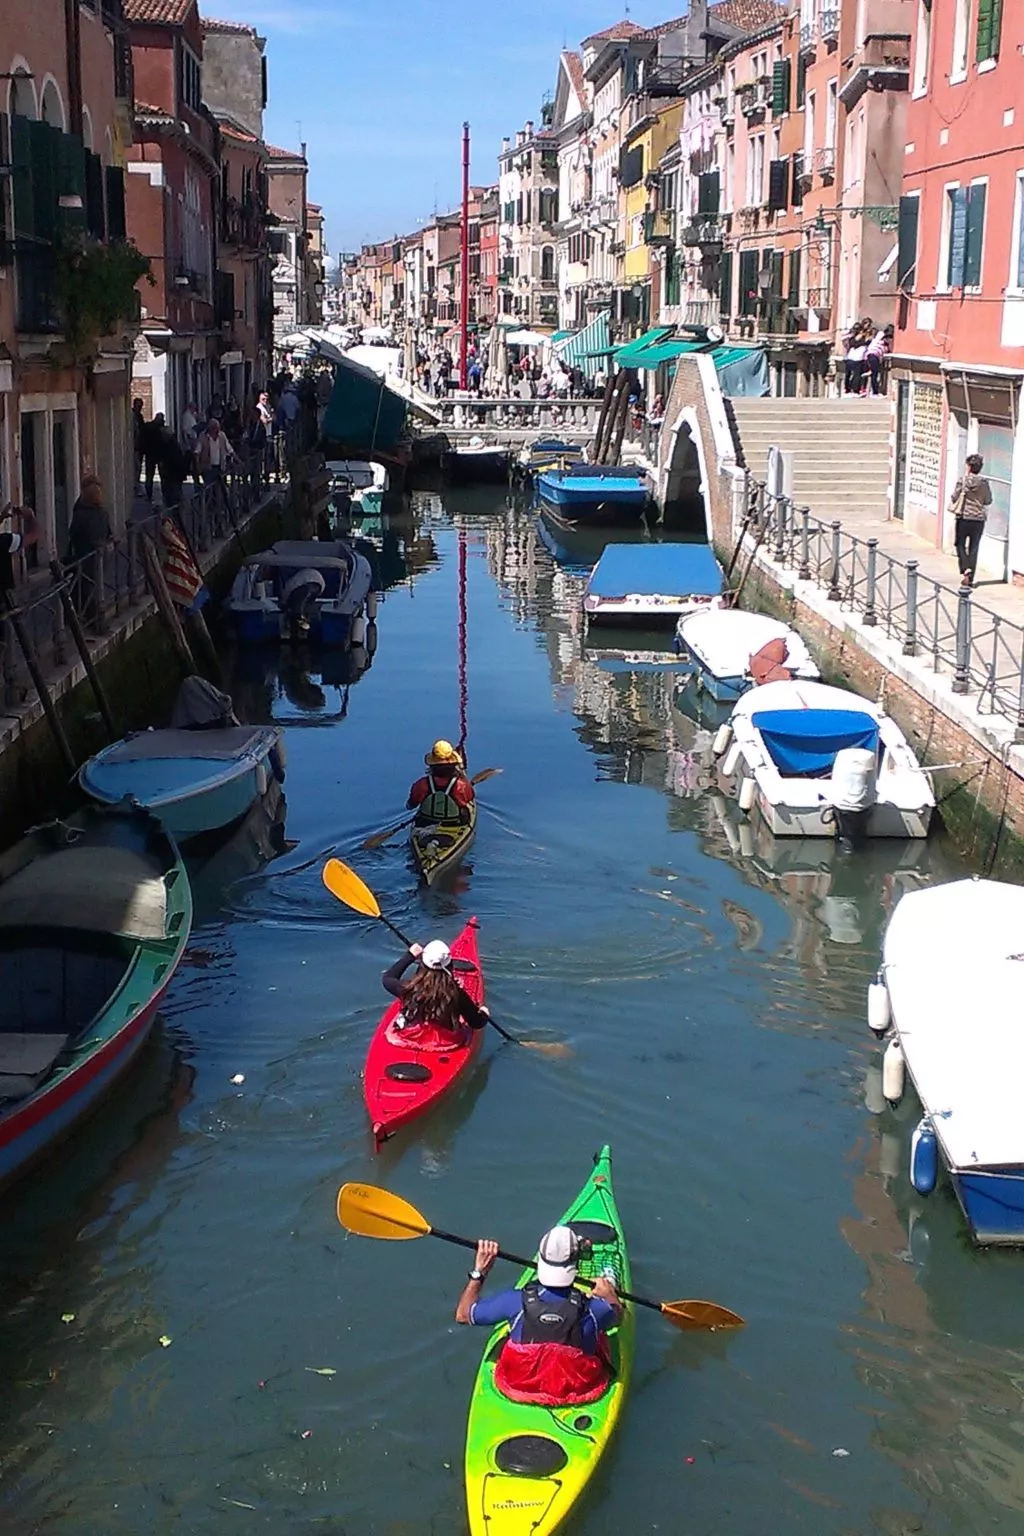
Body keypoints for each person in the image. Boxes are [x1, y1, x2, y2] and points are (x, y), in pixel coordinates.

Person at [455, 1228, 621, 1406]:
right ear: (576, 1264)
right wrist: (610, 1296)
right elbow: (618, 1318)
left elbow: (463, 1315)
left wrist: (480, 1272)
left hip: (519, 1386)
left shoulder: (513, 1301)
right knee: (600, 1334)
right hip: (577, 1388)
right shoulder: (595, 1309)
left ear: (541, 1260)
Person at [381, 939, 490, 1037]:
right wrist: (484, 1013)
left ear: (422, 965)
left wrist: (410, 955)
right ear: (450, 965)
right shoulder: (456, 994)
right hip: (443, 1041)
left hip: (411, 1035)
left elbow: (387, 978)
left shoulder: (409, 989)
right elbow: (477, 1023)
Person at [68, 476, 112, 627]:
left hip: (84, 555)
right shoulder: (103, 514)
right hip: (98, 555)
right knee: (93, 588)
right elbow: (108, 534)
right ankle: (95, 619)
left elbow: (73, 533)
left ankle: (87, 618)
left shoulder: (79, 513)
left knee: (84, 588)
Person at [407, 739, 475, 825]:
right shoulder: (462, 786)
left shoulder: (421, 785)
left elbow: (410, 806)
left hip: (426, 822)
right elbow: (470, 798)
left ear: (432, 765)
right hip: (455, 823)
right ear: (453, 765)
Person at [949, 452, 992, 586]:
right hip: (978, 519)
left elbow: (954, 497)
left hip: (963, 517)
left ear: (968, 466)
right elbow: (988, 500)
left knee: (960, 544)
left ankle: (965, 567)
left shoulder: (963, 481)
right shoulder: (984, 483)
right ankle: (970, 578)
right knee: (974, 547)